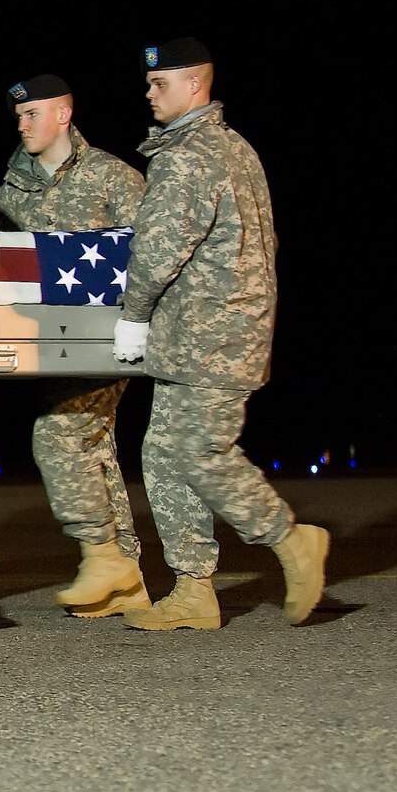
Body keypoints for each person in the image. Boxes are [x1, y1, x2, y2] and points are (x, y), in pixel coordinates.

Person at [112, 38, 328, 630]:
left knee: (200, 451)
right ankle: (193, 589)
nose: (149, 92)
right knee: (162, 452)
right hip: (206, 330)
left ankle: (288, 538)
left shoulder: (188, 155)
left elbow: (159, 248)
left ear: (195, 86)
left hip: (213, 332)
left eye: (160, 84)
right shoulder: (234, 148)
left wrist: (133, 313)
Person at [0, 74, 149, 618]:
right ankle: (124, 576)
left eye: (32, 114)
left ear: (63, 113)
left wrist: (141, 322)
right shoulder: (13, 185)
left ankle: (105, 559)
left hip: (106, 339)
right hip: (47, 344)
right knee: (95, 450)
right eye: (18, 116)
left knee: (62, 437)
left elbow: (151, 251)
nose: (22, 124)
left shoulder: (112, 176)